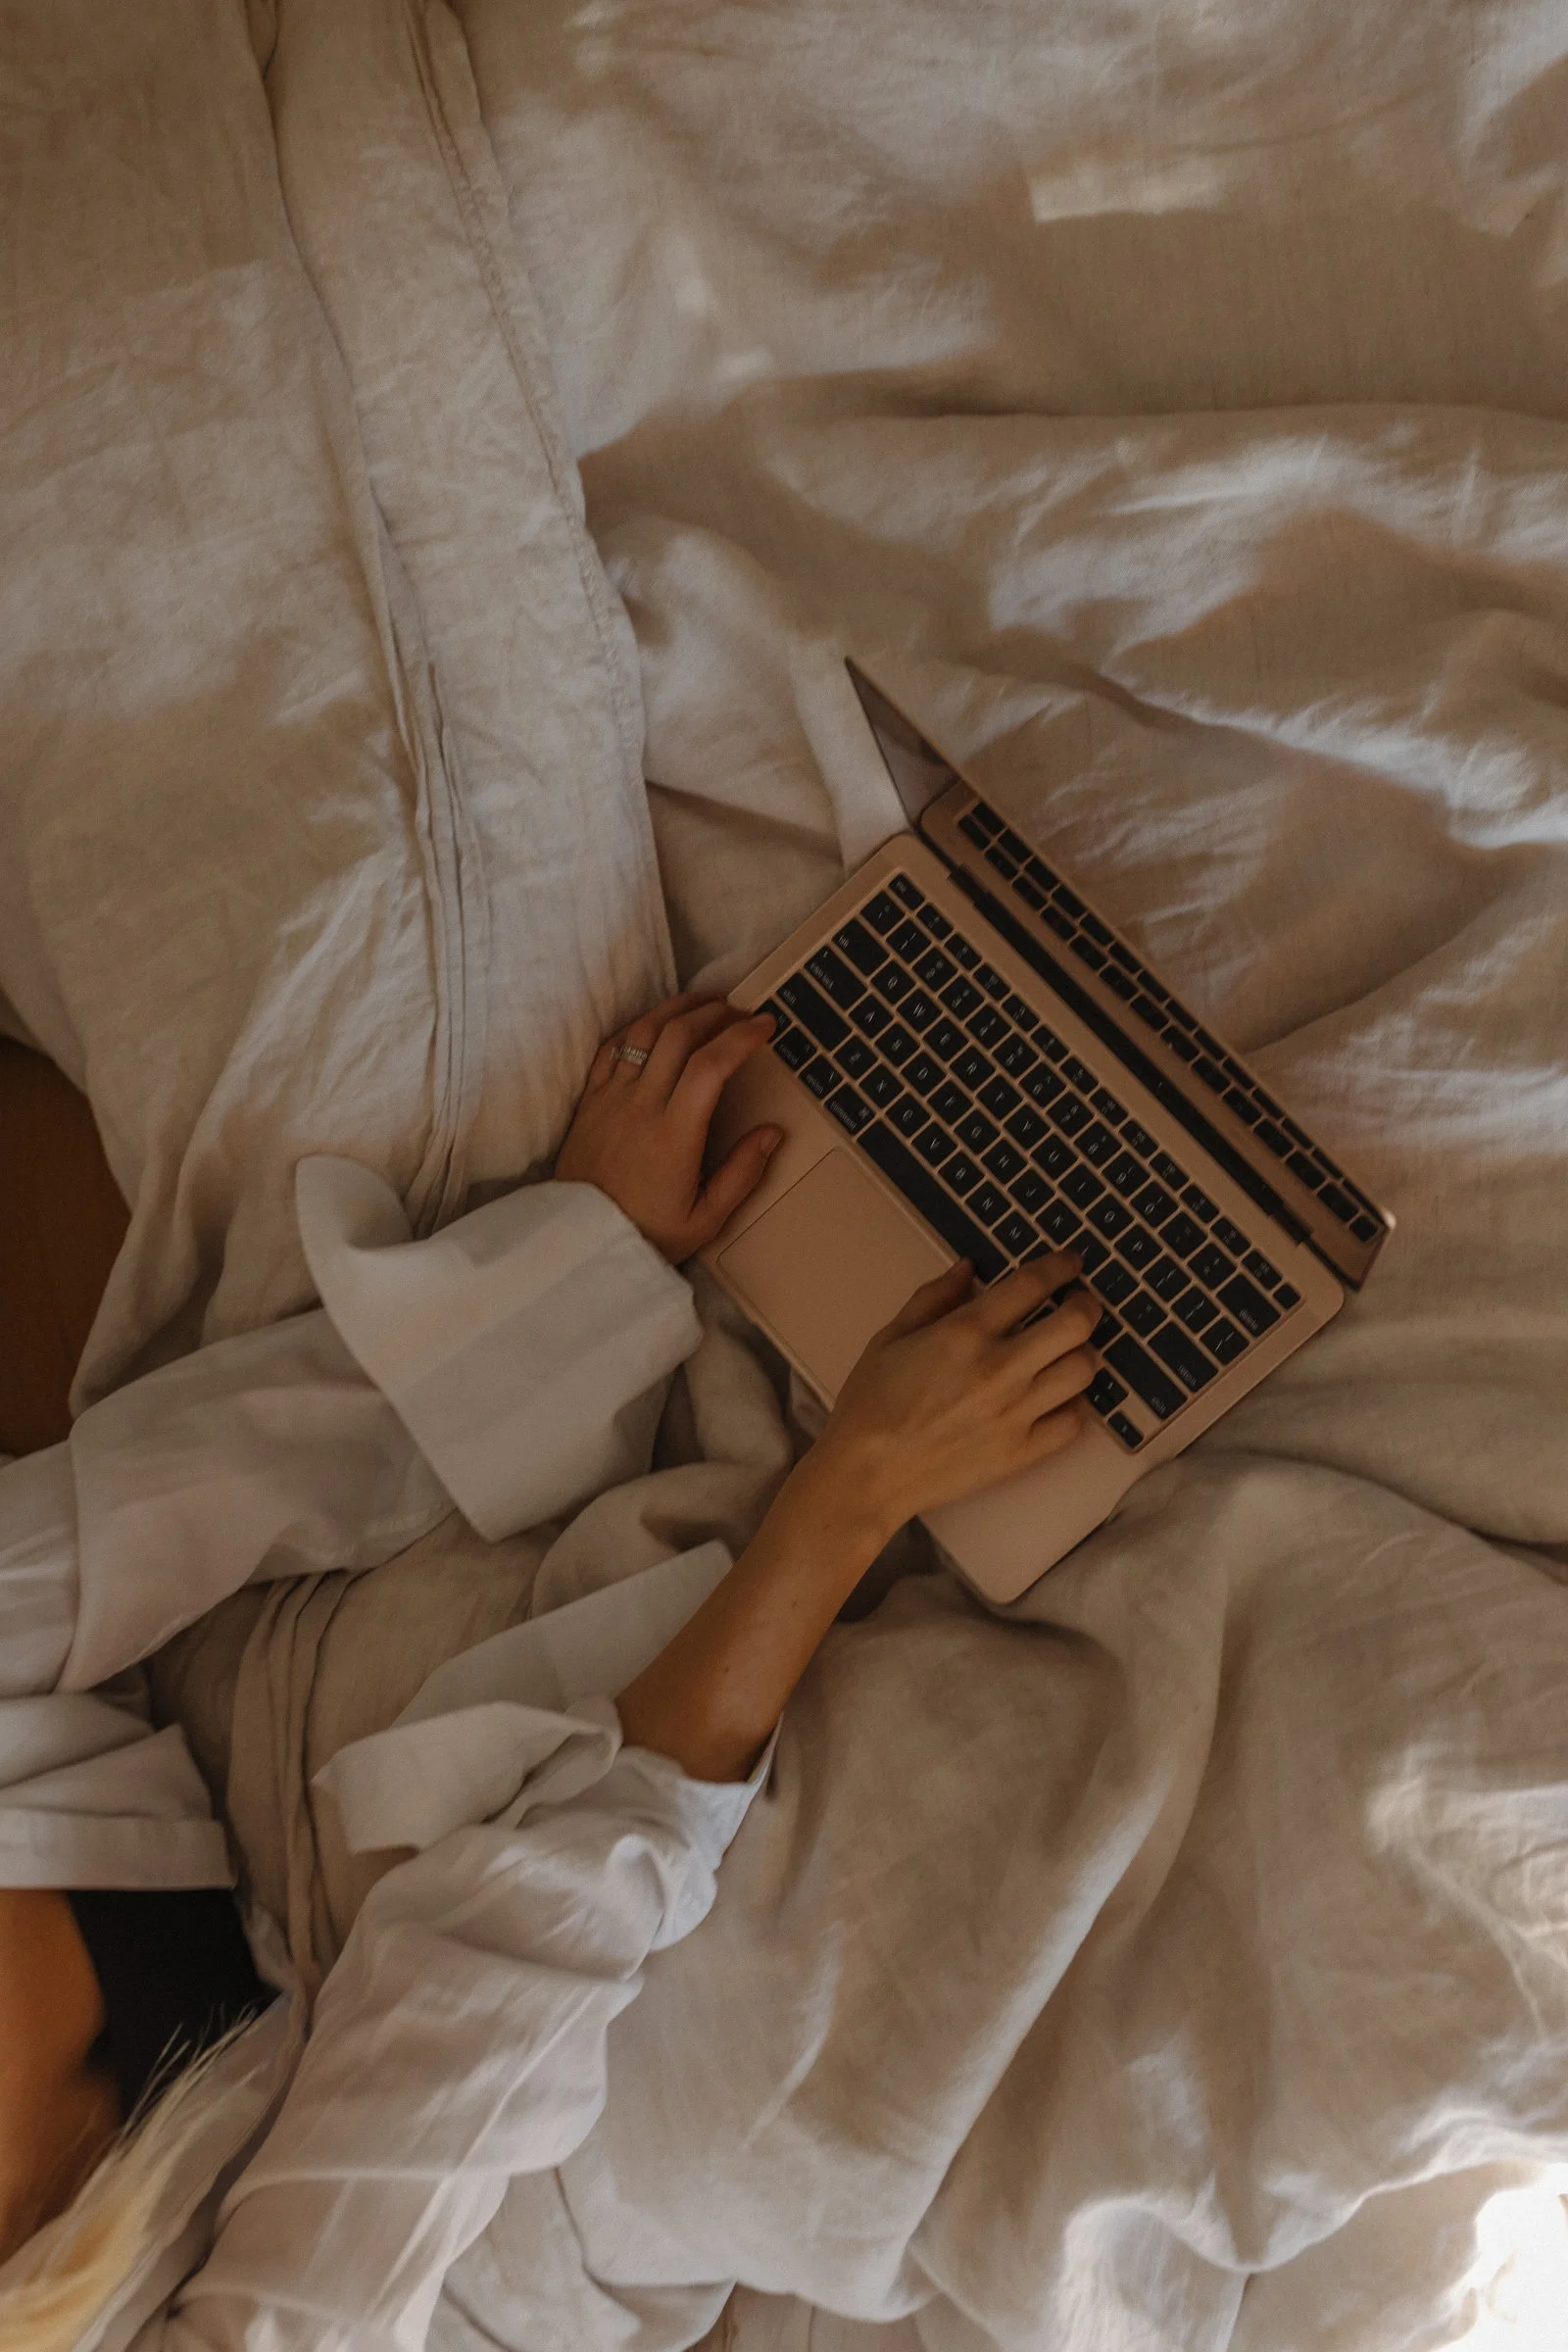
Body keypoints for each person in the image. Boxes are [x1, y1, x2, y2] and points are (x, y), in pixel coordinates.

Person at [0, 992, 1098, 2350]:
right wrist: (856, 1489)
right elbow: (496, 1972)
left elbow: (149, 1512)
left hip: (250, 1784)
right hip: (451, 2254)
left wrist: (574, 1258)